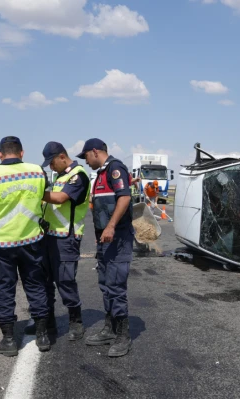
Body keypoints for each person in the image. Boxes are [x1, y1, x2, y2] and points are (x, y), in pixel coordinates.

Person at [0, 136, 53, 356]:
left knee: (4, 289)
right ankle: (43, 336)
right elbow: (42, 197)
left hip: (3, 242)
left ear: (0, 154)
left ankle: (9, 340)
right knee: (36, 286)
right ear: (22, 153)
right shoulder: (37, 171)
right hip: (32, 240)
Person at [27, 141, 90, 342]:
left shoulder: (78, 175)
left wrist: (34, 193)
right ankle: (48, 323)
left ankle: (76, 322)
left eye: (52, 163)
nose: (51, 167)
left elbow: (62, 198)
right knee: (45, 282)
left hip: (66, 237)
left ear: (63, 156)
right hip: (49, 236)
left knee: (65, 281)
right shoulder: (62, 175)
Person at [77, 138, 134, 357]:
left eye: (86, 157)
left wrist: (110, 226)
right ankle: (110, 328)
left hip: (118, 237)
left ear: (95, 152)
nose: (86, 161)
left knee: (116, 285)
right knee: (105, 283)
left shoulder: (115, 168)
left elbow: (124, 198)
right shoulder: (100, 173)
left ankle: (123, 336)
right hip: (106, 239)